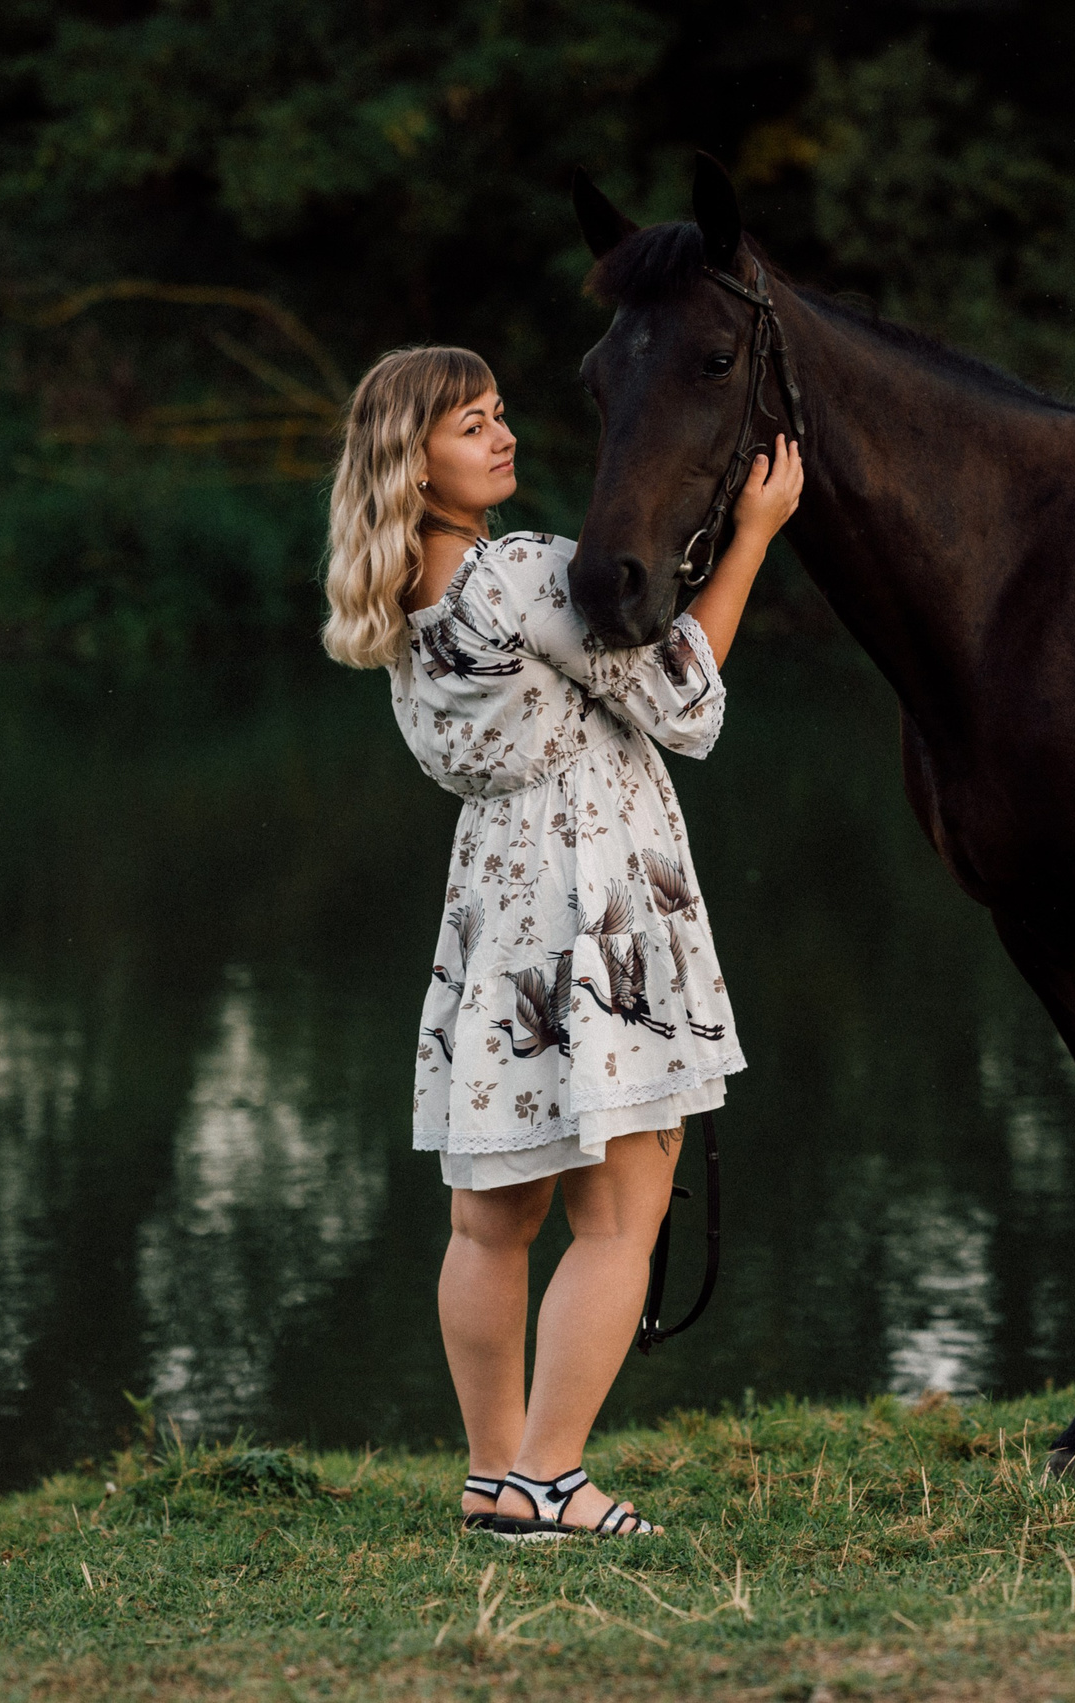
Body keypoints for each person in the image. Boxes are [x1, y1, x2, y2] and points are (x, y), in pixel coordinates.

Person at [320, 345, 801, 1539]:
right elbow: (683, 699)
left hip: (494, 907)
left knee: (490, 1218)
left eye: (498, 415)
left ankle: (495, 1473)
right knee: (619, 1214)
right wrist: (752, 535)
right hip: (598, 895)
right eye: (471, 426)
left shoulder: (402, 608)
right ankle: (549, 1479)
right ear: (411, 462)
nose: (503, 437)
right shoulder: (523, 573)